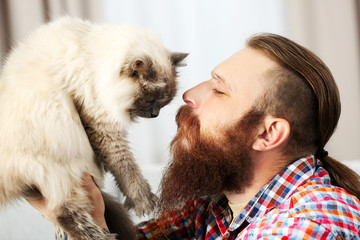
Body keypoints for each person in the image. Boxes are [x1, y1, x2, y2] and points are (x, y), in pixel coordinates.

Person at [28, 33, 360, 239]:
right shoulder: (215, 207)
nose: (189, 94)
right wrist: (82, 212)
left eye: (219, 89)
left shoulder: (310, 225)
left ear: (267, 133)